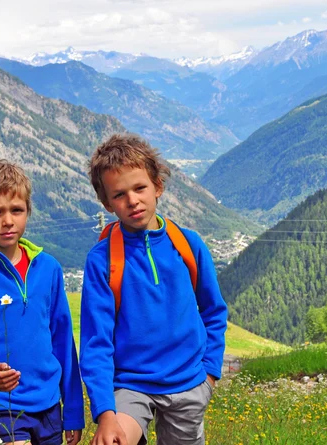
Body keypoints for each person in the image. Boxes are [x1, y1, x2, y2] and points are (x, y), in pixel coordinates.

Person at [80, 134, 228, 445]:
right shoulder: (102, 259)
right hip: (131, 384)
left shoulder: (188, 245)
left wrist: (209, 375)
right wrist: (105, 413)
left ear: (157, 186)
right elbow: (96, 341)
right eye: (119, 194)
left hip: (188, 383)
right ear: (107, 203)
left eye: (140, 188)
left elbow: (214, 311)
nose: (132, 200)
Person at [0, 158, 84, 445]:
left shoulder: (49, 268)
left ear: (27, 212)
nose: (8, 220)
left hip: (48, 406)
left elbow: (63, 343)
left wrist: (72, 411)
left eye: (16, 210)